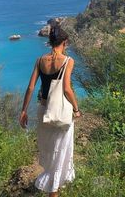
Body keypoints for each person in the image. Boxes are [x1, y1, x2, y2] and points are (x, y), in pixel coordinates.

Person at [19, 25, 81, 197]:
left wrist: (23, 111)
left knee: (49, 151)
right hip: (60, 112)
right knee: (61, 151)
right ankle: (53, 192)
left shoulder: (40, 60)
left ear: (50, 41)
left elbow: (31, 87)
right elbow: (67, 89)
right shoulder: (68, 61)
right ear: (65, 42)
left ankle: (54, 190)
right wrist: (76, 109)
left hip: (43, 111)